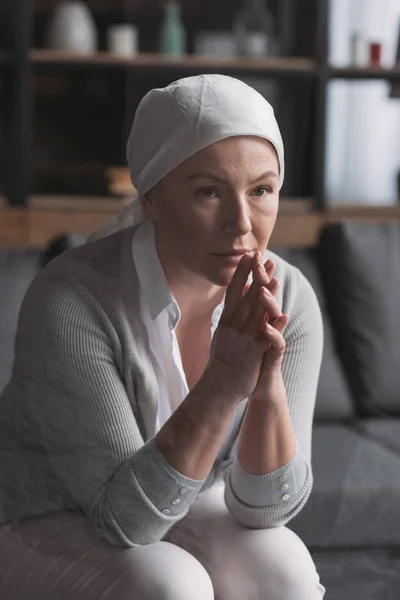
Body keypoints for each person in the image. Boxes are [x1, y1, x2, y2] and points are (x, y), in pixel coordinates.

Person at [0, 74, 325, 599]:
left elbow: (267, 508)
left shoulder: (289, 294)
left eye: (261, 190)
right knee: (170, 585)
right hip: (40, 514)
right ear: (152, 197)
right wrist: (223, 381)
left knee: (282, 565)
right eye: (207, 192)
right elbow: (125, 519)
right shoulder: (71, 299)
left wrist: (264, 384)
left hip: (181, 503)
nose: (241, 224)